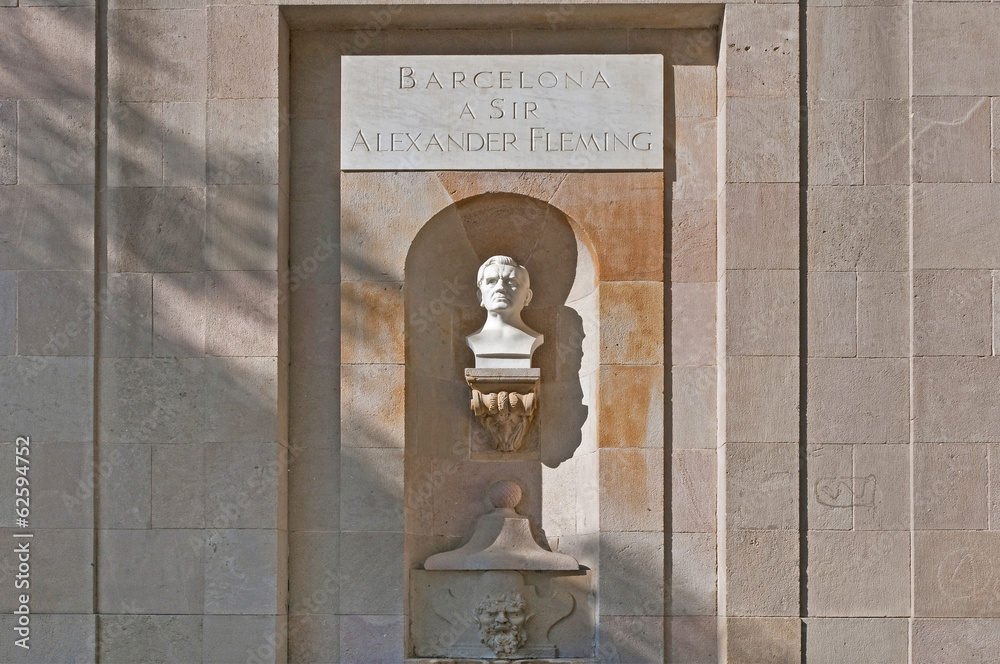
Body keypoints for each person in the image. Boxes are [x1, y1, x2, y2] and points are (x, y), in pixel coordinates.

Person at [466, 256, 543, 368]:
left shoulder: (531, 338)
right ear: (480, 296)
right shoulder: (474, 339)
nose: (500, 288)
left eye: (511, 282)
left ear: (527, 296)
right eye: (491, 281)